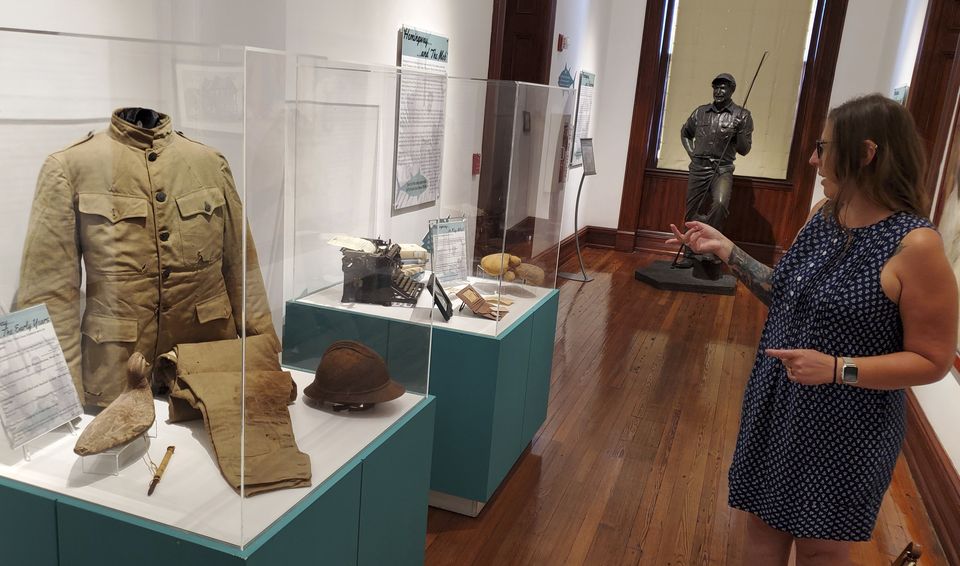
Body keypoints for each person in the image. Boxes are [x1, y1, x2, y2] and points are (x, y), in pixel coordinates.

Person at [667, 93, 958, 564]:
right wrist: (727, 250)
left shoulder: (915, 244)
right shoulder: (825, 215)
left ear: (866, 154)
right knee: (760, 527)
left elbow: (933, 360)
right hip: (778, 403)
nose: (812, 159)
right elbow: (782, 294)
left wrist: (839, 368)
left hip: (846, 427)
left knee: (821, 549)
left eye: (824, 147)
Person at [676, 73, 754, 268]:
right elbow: (685, 133)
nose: (719, 91)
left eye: (723, 87)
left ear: (731, 90)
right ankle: (689, 253)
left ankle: (709, 249)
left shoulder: (742, 115)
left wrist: (740, 132)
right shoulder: (700, 113)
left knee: (719, 204)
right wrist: (692, 153)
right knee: (692, 211)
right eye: (716, 87)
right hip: (699, 168)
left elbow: (744, 150)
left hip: (722, 169)